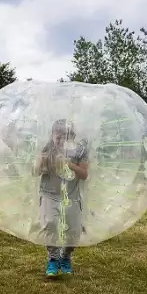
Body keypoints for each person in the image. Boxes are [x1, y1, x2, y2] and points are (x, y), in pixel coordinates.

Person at [34, 119, 89, 277]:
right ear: (52, 136)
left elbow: (84, 175)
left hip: (71, 195)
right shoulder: (47, 148)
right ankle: (53, 259)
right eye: (58, 137)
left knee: (74, 230)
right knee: (50, 224)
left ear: (72, 137)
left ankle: (65, 257)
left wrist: (69, 164)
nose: (61, 141)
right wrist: (41, 164)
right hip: (49, 193)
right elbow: (35, 172)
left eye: (65, 137)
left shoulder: (80, 150)